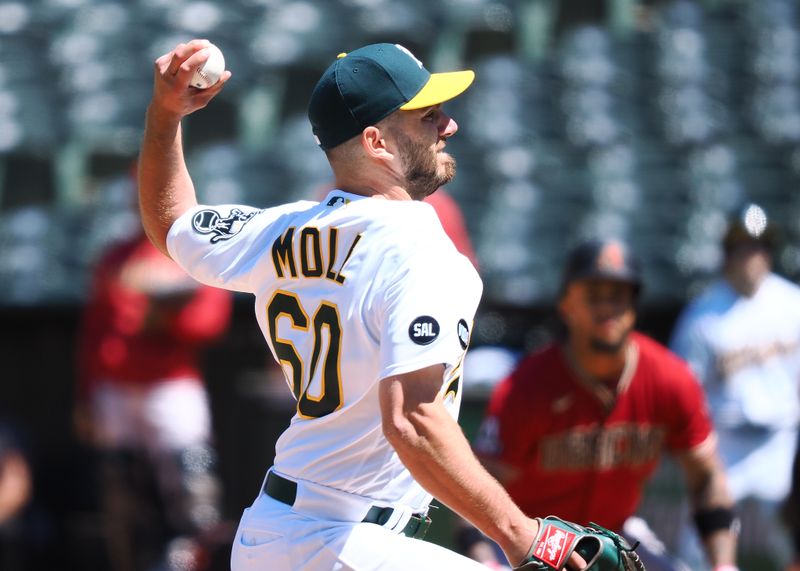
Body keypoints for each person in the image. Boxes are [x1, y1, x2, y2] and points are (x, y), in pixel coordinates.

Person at [135, 40, 642, 570]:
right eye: (429, 117)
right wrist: (525, 536)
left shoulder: (281, 230)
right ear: (377, 142)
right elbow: (413, 420)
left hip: (276, 536)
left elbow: (170, 222)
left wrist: (164, 116)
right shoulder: (420, 250)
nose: (449, 127)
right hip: (343, 540)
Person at [466, 238, 739, 571]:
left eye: (619, 295)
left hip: (615, 536)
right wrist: (485, 562)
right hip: (531, 538)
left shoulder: (670, 379)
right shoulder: (526, 387)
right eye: (594, 295)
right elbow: (477, 488)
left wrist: (723, 564)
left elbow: (706, 475)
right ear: (566, 305)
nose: (608, 307)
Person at [76, 228, 233, 571]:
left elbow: (209, 324)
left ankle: (201, 562)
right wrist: (86, 395)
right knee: (122, 492)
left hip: (171, 383)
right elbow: (94, 331)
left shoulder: (193, 250)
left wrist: (166, 309)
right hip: (115, 386)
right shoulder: (116, 255)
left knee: (195, 488)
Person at [670, 203, 800, 569]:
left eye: (758, 248)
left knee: (787, 542)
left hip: (781, 442)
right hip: (726, 443)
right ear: (727, 255)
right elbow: (683, 388)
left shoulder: (792, 304)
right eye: (741, 248)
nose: (750, 257)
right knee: (700, 544)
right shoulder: (703, 314)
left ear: (771, 253)